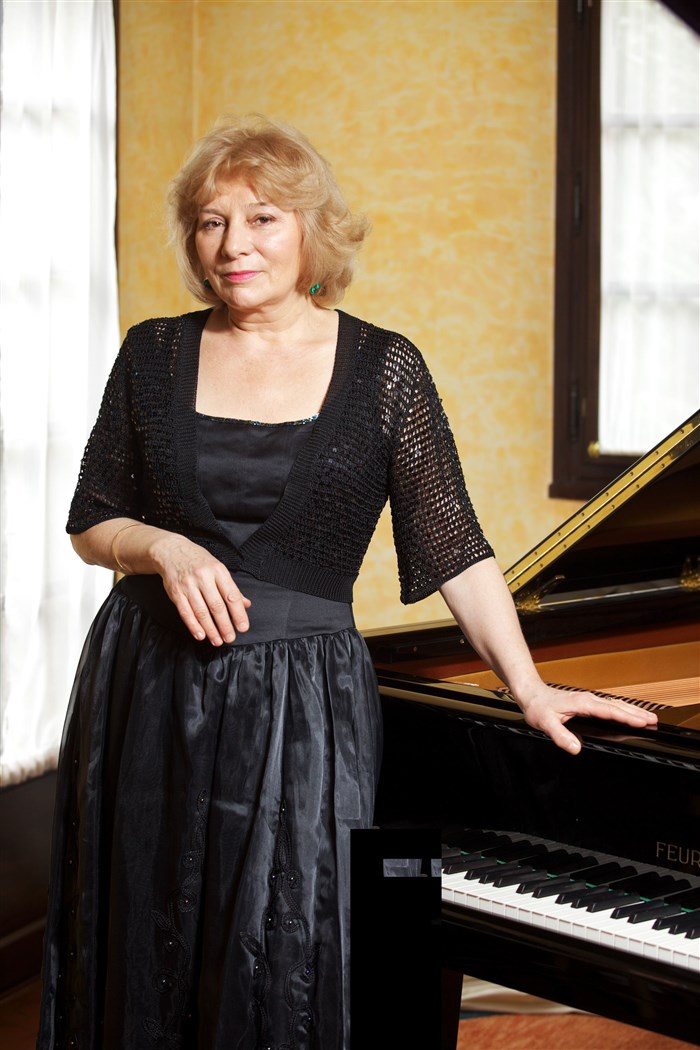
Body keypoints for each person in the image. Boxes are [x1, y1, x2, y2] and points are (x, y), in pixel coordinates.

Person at [37, 116, 657, 1050]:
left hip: (303, 708)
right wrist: (163, 547)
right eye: (211, 222)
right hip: (150, 694)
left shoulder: (385, 370)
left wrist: (528, 688)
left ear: (311, 231)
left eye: (263, 219)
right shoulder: (151, 354)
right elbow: (92, 522)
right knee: (145, 943)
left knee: (286, 955)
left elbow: (455, 547)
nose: (234, 245)